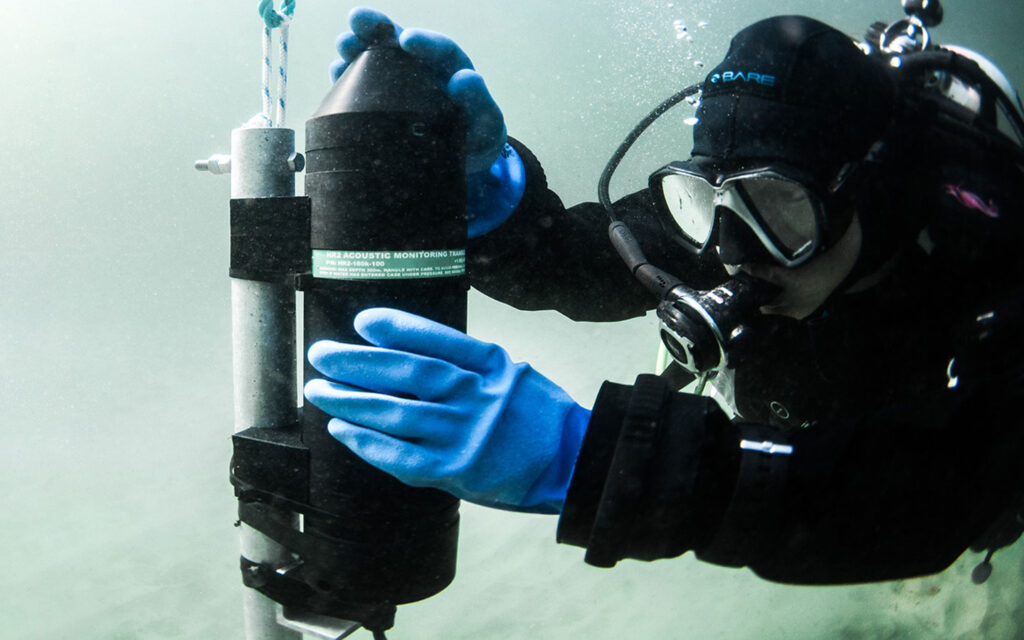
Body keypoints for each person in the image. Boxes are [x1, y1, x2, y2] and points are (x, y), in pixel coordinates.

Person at [303, 6, 1024, 584]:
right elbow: (578, 263)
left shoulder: (993, 264)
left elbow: (946, 494)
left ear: (871, 194)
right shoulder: (728, 218)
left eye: (779, 208)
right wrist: (489, 205)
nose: (731, 254)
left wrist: (597, 460)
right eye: (702, 201)